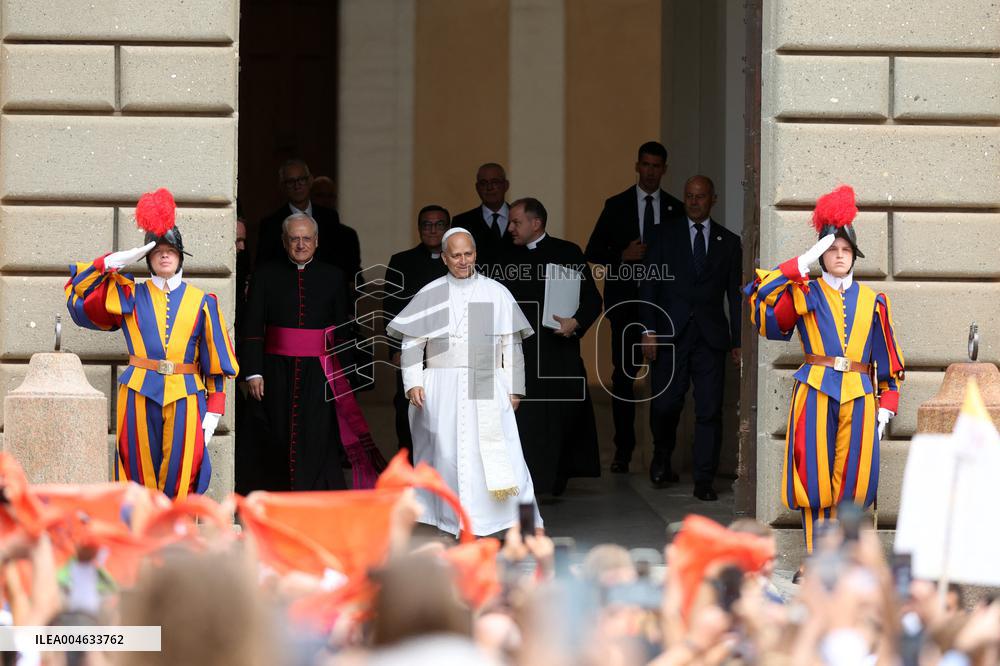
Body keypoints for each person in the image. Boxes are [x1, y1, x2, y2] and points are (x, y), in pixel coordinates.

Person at [744, 184, 905, 555]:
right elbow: (761, 303)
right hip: (815, 388)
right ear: (821, 254)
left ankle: (842, 560)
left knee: (852, 481)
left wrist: (886, 407)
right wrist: (801, 263)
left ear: (855, 255)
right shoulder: (805, 291)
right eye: (832, 249)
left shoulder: (874, 300)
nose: (839, 256)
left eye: (846, 250)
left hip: (861, 394)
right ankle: (818, 560)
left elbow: (889, 361)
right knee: (814, 480)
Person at [65, 188, 238, 499]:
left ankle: (177, 541)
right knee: (136, 475)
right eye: (157, 251)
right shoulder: (129, 294)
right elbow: (80, 293)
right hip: (138, 392)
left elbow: (215, 363)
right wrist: (114, 261)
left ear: (181, 255)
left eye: (171, 249)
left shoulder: (203, 302)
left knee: (183, 473)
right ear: (147, 258)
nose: (165, 254)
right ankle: (138, 540)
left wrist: (214, 411)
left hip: (186, 394)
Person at [386, 228, 541, 537]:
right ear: (444, 258)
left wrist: (515, 387)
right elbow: (413, 343)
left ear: (475, 254)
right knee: (447, 456)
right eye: (455, 255)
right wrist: (412, 381)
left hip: (484, 380)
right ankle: (454, 519)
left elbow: (511, 346)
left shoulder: (494, 292)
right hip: (442, 386)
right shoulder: (430, 293)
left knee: (500, 453)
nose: (463, 260)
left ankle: (515, 523)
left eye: (468, 253)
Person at [243, 213, 380, 491]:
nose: (301, 244)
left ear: (316, 242)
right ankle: (278, 492)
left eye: (307, 238)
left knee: (318, 434)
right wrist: (254, 371)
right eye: (294, 239)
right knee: (278, 433)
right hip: (276, 369)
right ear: (284, 242)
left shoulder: (334, 276)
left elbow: (343, 329)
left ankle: (314, 492)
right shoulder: (265, 275)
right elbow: (253, 325)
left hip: (321, 372)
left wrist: (347, 375)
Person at [638, 175, 742, 500]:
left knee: (709, 409)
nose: (694, 201)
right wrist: (648, 330)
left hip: (710, 338)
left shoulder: (729, 241)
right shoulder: (662, 234)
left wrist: (738, 340)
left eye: (701, 196)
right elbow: (648, 285)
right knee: (666, 403)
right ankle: (663, 453)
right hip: (669, 334)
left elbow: (736, 297)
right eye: (689, 195)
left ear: (713, 199)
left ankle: (704, 479)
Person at [585, 141, 683, 475]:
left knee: (665, 381)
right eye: (646, 165)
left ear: (664, 169)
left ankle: (662, 452)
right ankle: (623, 450)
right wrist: (621, 256)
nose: (651, 171)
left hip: (663, 308)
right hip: (626, 305)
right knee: (624, 379)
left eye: (657, 166)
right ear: (637, 166)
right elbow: (593, 250)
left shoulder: (675, 208)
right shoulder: (616, 205)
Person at [500, 197, 603, 496]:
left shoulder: (567, 252)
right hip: (520, 354)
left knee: (559, 419)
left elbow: (593, 300)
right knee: (525, 422)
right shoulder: (503, 256)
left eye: (516, 222)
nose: (510, 228)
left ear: (537, 223)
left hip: (559, 353)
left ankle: (554, 482)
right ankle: (527, 483)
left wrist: (576, 323)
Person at [383, 205, 451, 458]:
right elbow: (389, 308)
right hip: (411, 351)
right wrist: (394, 350)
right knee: (406, 410)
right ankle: (408, 464)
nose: (432, 230)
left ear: (448, 227)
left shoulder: (456, 262)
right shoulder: (401, 261)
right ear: (419, 228)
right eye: (426, 224)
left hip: (446, 353)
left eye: (439, 224)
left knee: (443, 411)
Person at [254, 159, 361, 288]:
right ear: (282, 186)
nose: (297, 185)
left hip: (325, 290)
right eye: (291, 181)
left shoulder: (329, 217)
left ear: (310, 181)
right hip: (288, 291)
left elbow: (338, 258)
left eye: (302, 179)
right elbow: (264, 267)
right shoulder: (271, 224)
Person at [451, 163, 514, 270]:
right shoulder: (462, 222)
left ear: (506, 185)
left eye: (495, 182)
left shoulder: (522, 219)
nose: (489, 187)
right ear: (477, 188)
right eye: (484, 183)